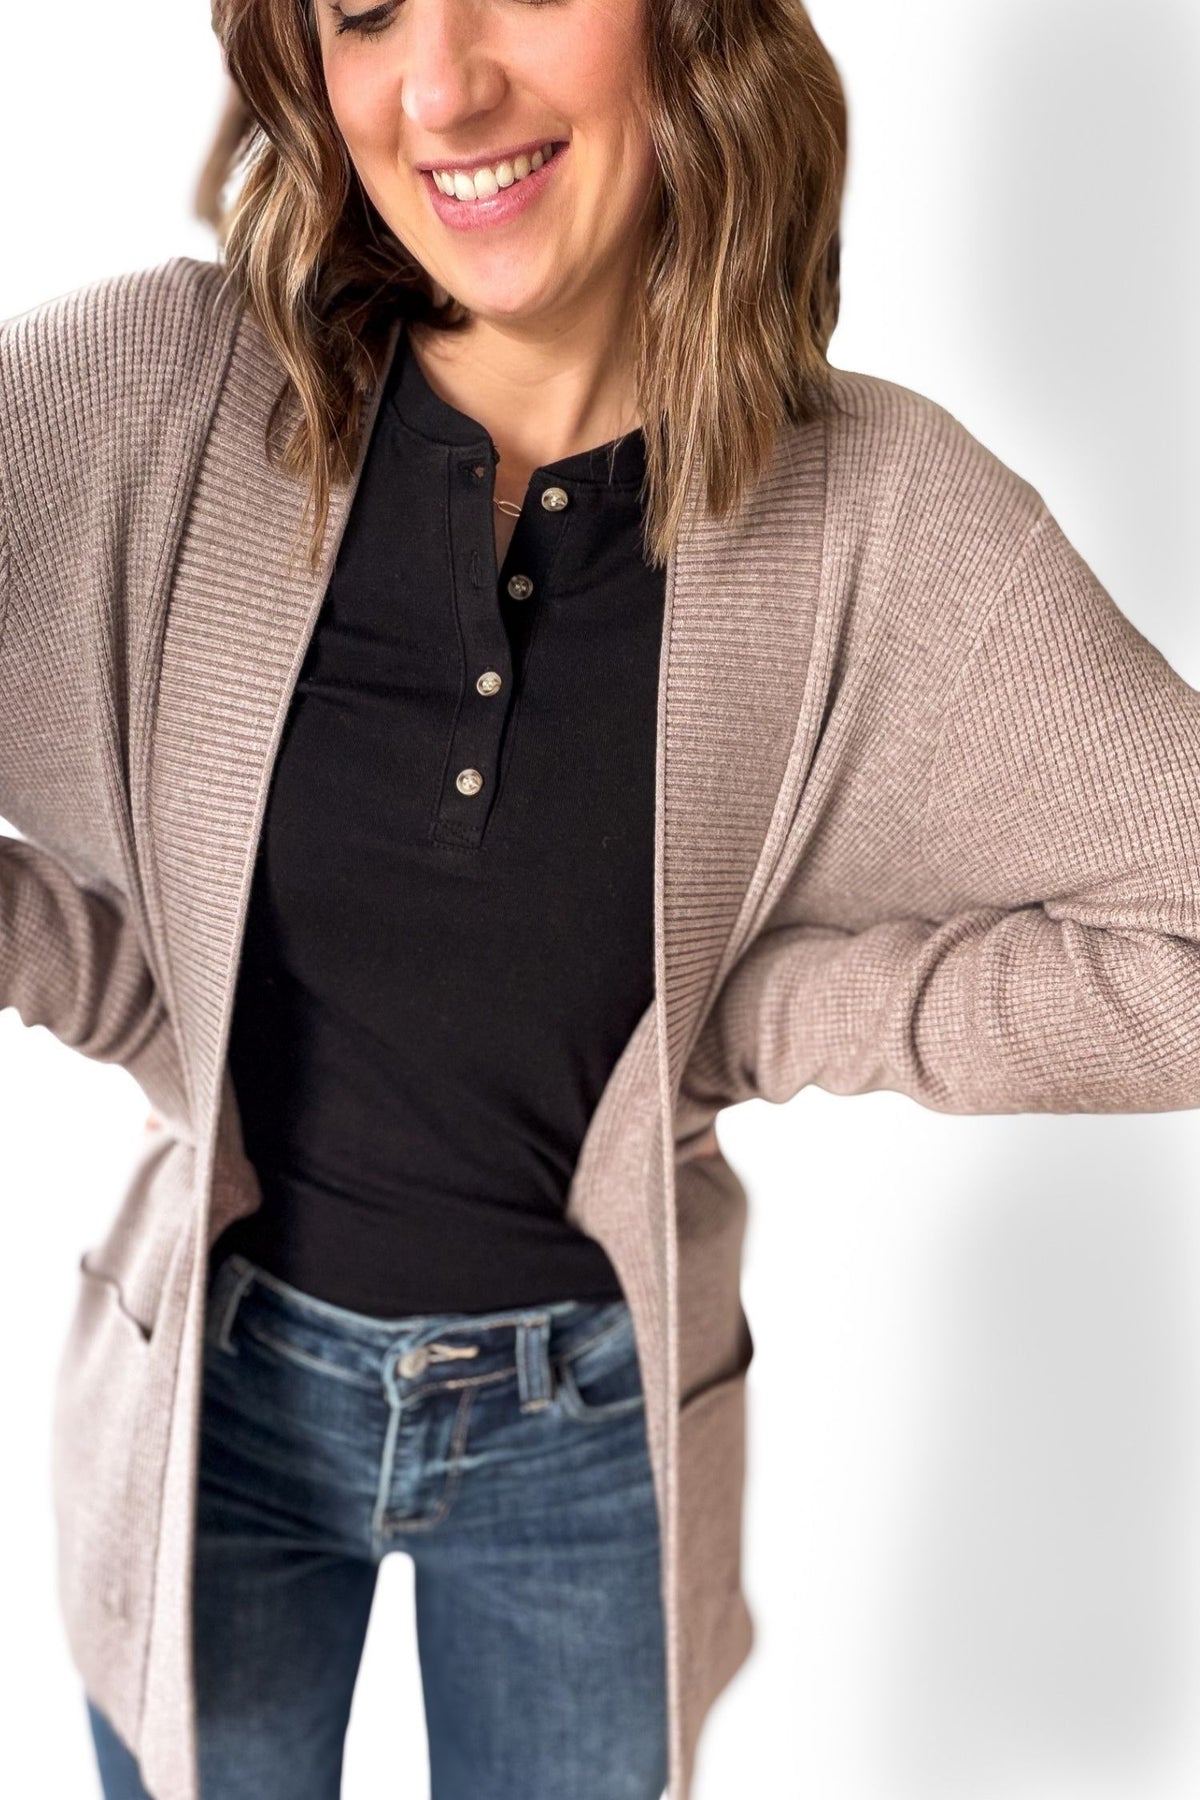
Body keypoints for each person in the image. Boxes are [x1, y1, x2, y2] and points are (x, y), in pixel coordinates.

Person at [1, 0, 1196, 1797]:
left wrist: (750, 1012)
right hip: (206, 1401)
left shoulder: (879, 517)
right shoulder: (155, 396)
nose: (441, 86)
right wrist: (85, 968)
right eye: (365, 12)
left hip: (592, 1432)